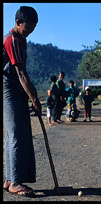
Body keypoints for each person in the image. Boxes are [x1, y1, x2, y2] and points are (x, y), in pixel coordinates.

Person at [3, 6, 42, 196]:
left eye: (33, 29)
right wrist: (34, 97)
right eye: (27, 28)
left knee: (14, 134)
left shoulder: (21, 39)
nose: (30, 32)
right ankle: (15, 183)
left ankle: (10, 179)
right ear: (18, 23)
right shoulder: (12, 40)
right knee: (16, 134)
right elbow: (20, 72)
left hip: (16, 90)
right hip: (9, 89)